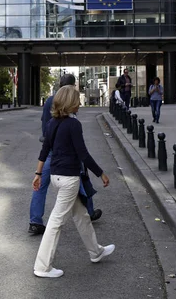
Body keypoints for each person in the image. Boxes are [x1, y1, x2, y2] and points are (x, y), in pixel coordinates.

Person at [32, 86, 115, 278]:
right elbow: (83, 154)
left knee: (81, 215)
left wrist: (38, 173)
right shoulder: (74, 125)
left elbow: (45, 150)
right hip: (69, 179)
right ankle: (42, 267)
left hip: (56, 178)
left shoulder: (52, 123)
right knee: (56, 222)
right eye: (77, 100)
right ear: (70, 102)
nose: (80, 103)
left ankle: (96, 252)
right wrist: (101, 173)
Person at [29, 75, 103, 236]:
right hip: (65, 152)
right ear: (69, 86)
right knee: (81, 179)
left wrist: (37, 172)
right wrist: (100, 173)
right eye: (74, 86)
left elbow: (44, 121)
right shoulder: (67, 102)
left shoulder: (50, 100)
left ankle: (35, 221)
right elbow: (81, 151)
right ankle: (89, 212)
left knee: (40, 185)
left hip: (49, 148)